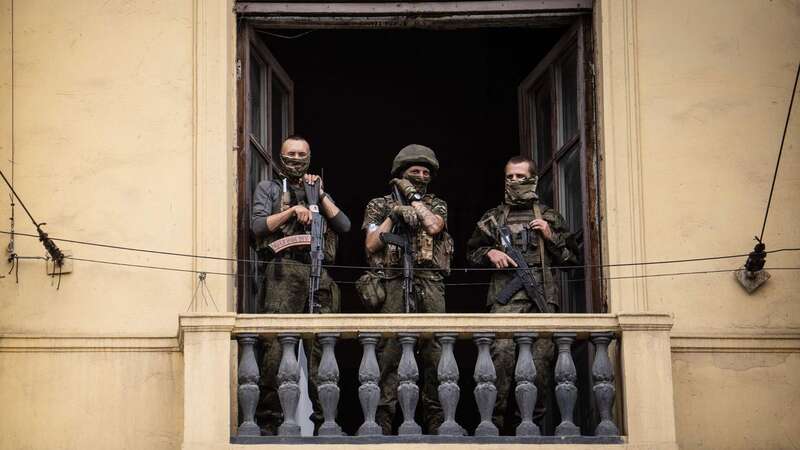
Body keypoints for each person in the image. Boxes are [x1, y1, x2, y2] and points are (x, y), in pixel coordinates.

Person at [466, 155, 579, 434]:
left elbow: (571, 261)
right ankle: (495, 429)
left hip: (540, 307)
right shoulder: (492, 218)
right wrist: (490, 252)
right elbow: (471, 253)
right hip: (504, 306)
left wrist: (550, 236)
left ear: (533, 179)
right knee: (499, 364)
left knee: (538, 371)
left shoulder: (550, 217)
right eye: (510, 177)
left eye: (520, 176)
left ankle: (529, 430)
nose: (514, 181)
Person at [250, 135, 351, 435]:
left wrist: (318, 195)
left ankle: (327, 422)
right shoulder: (269, 188)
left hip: (318, 272)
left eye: (302, 154)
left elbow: (343, 225)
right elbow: (256, 227)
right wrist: (293, 211)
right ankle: (269, 422)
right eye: (291, 154)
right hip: (284, 272)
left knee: (323, 349)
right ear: (281, 158)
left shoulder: (318, 190)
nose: (296, 159)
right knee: (276, 350)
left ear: (310, 157)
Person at [361, 144, 454, 435]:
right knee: (387, 354)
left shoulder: (436, 204)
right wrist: (395, 214)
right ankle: (383, 421)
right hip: (391, 284)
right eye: (415, 171)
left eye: (426, 172)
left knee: (434, 354)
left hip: (429, 285)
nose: (421, 175)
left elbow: (434, 226)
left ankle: (438, 420)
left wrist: (414, 200)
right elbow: (372, 243)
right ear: (400, 173)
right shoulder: (378, 205)